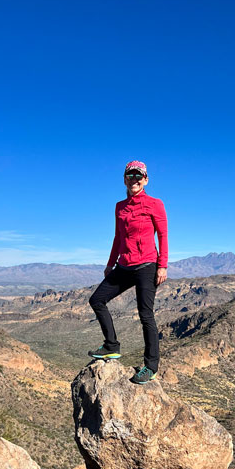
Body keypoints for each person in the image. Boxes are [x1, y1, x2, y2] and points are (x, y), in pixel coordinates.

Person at [88, 160, 168, 384]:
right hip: (124, 265)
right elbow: (118, 237)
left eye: (138, 176)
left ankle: (151, 366)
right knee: (97, 299)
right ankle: (111, 346)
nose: (134, 180)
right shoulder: (120, 207)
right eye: (130, 176)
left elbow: (162, 235)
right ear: (124, 179)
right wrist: (110, 263)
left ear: (146, 180)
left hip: (146, 265)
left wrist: (163, 265)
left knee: (145, 315)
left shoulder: (155, 204)